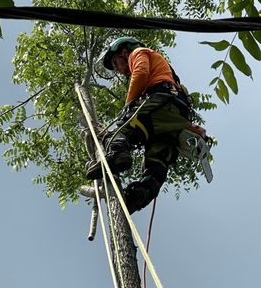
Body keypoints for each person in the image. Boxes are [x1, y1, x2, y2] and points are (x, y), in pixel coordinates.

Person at [86, 36, 205, 214]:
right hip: (173, 119)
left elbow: (140, 73)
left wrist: (128, 105)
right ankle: (138, 196)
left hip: (161, 105)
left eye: (116, 63)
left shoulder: (138, 52)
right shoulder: (170, 76)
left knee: (118, 131)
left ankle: (116, 155)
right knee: (156, 162)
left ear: (124, 52)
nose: (118, 70)